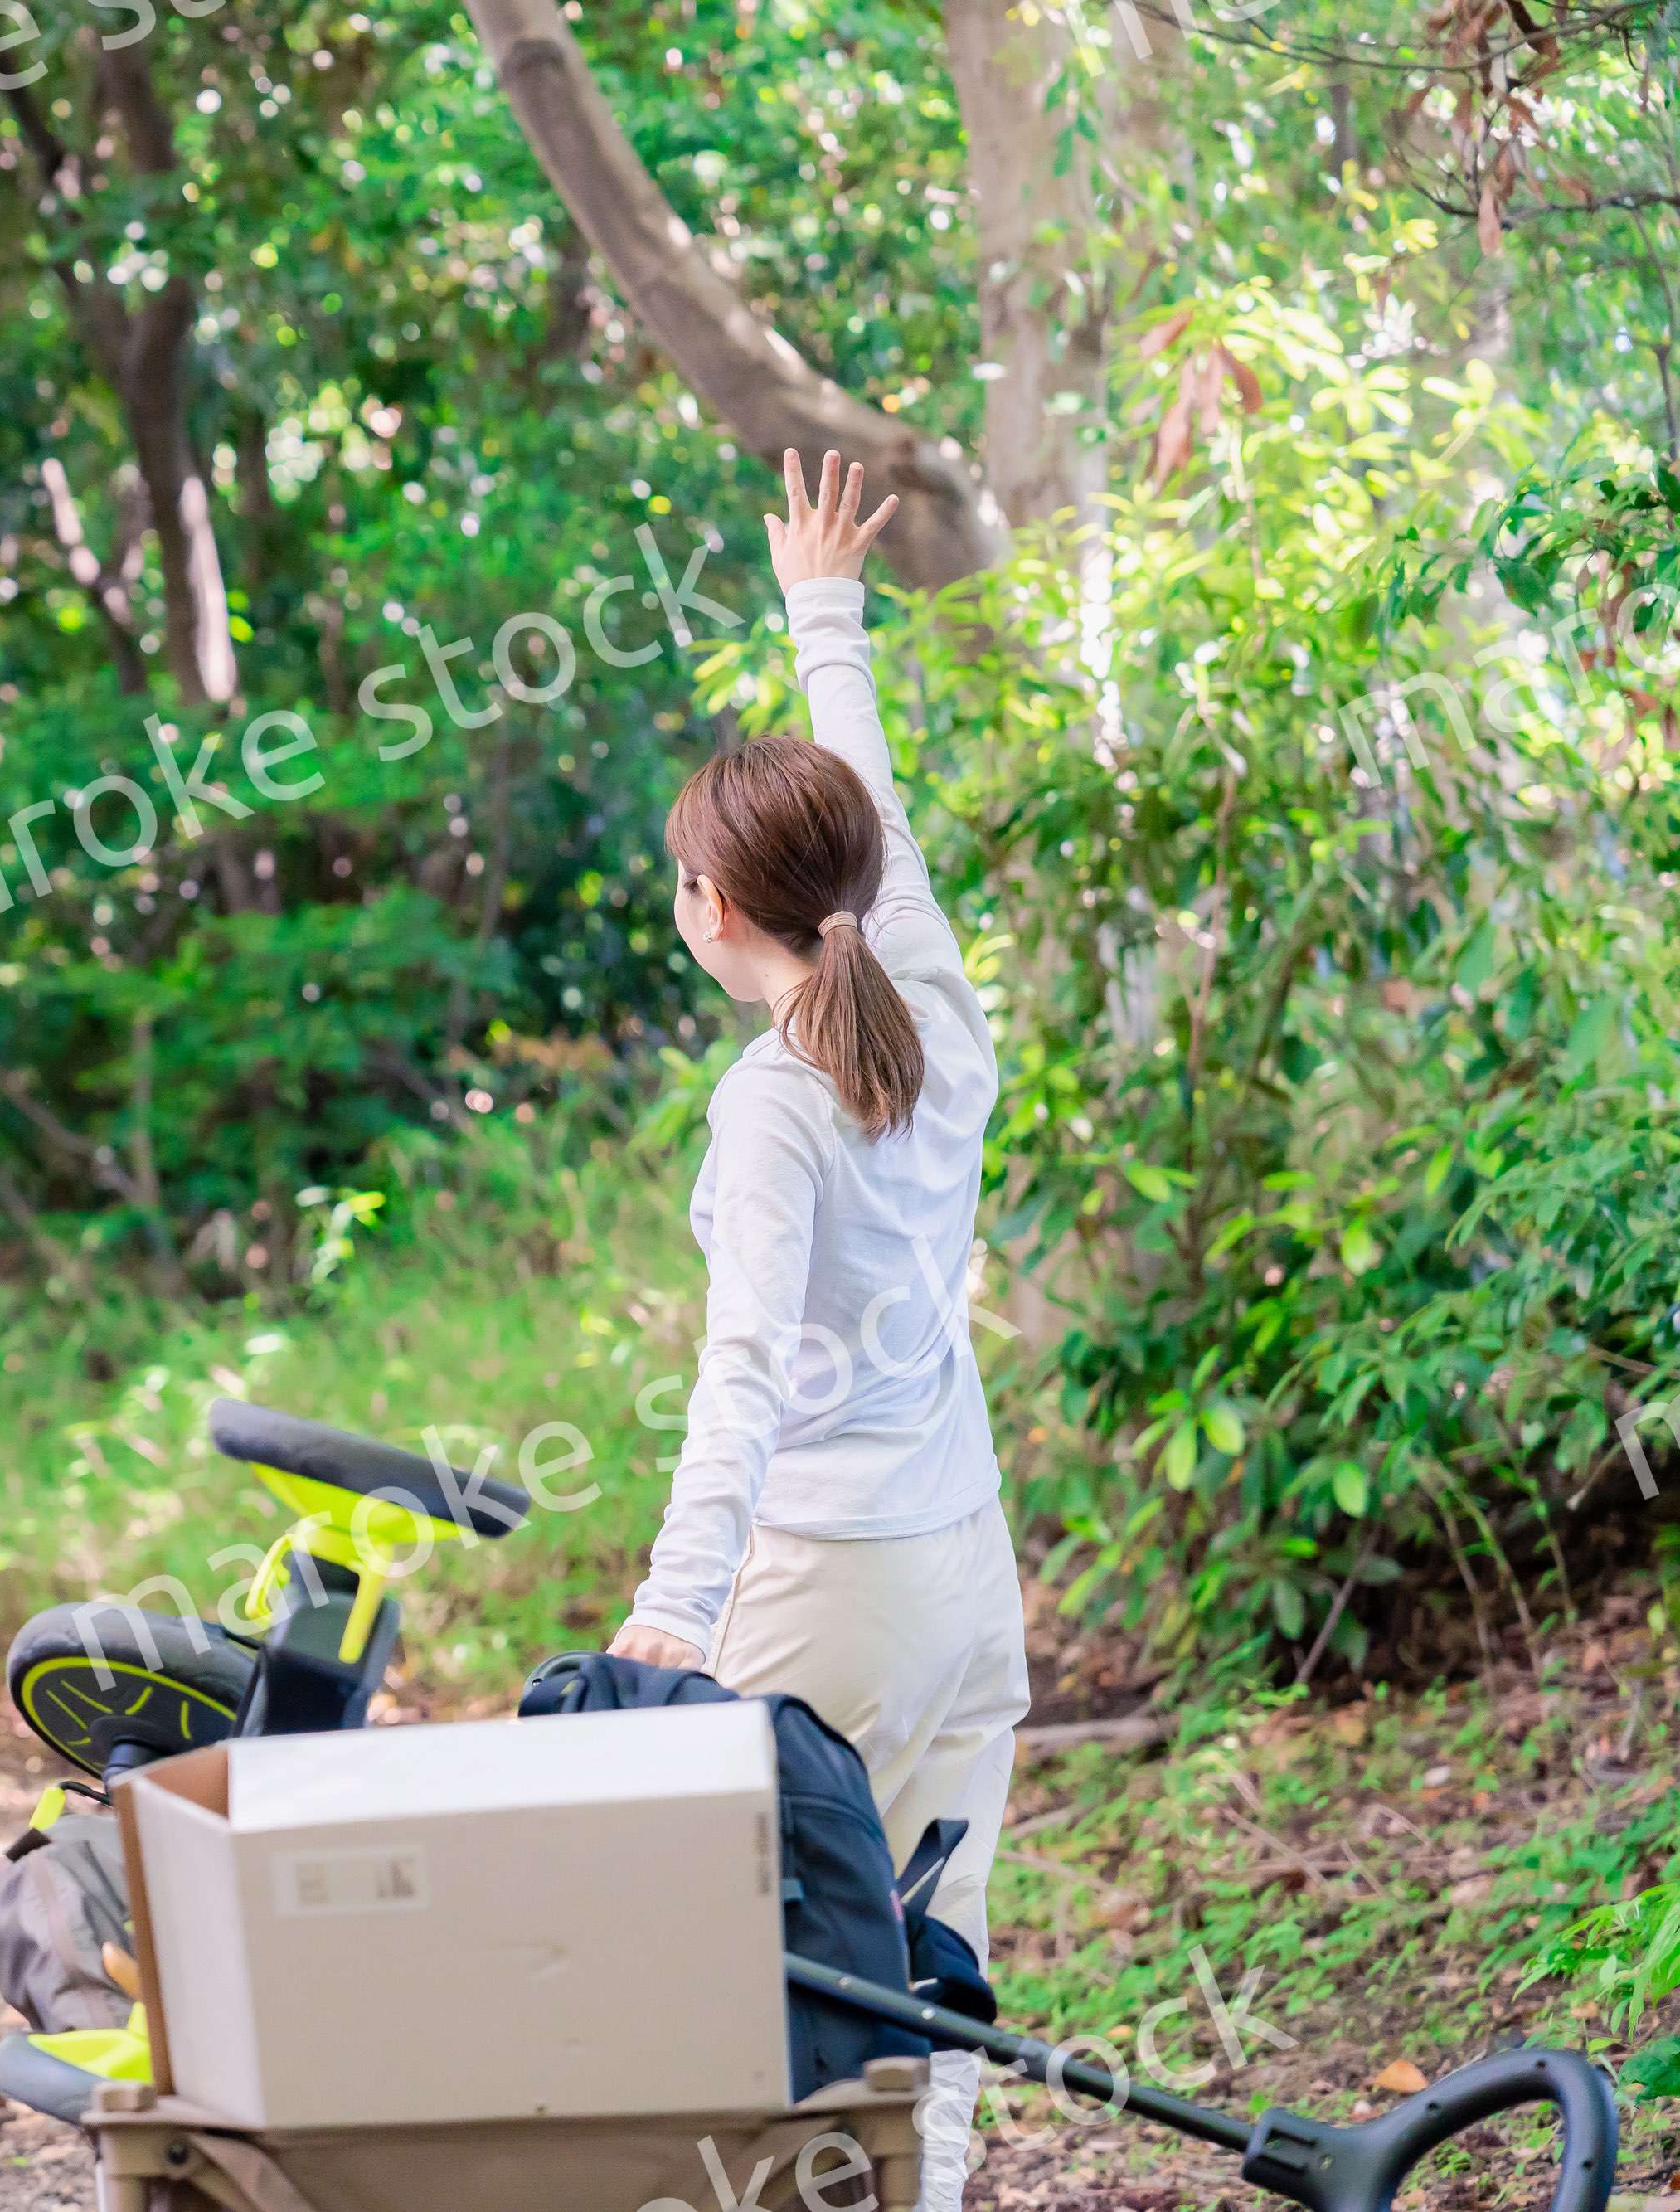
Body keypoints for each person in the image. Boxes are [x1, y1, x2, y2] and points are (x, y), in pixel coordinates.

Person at [608, 450, 1027, 2212]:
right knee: (930, 1972)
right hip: (966, 1580)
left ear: (713, 909)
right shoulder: (931, 1003)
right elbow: (880, 818)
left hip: (824, 1596)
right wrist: (823, 616)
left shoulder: (771, 1102)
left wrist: (676, 1603)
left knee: (728, 1989)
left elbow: (747, 1368)